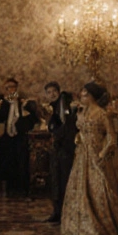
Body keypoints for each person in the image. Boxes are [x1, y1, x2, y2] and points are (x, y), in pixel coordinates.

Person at [60, 82, 118, 235]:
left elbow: (111, 138)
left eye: (85, 94)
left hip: (97, 156)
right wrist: (79, 137)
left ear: (92, 96)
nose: (82, 97)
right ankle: (82, 226)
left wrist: (102, 154)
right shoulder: (82, 111)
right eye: (82, 94)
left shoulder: (102, 114)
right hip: (82, 156)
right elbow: (80, 131)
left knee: (99, 189)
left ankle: (103, 225)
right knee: (81, 189)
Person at [0, 78, 38, 198]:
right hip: (8, 137)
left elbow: (32, 120)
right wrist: (0, 107)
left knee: (22, 163)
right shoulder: (4, 102)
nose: (11, 90)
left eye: (13, 87)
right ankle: (10, 189)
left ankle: (23, 189)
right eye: (8, 88)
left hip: (20, 137)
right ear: (5, 89)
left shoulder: (23, 102)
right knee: (8, 163)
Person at [42, 81, 78, 224]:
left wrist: (55, 133)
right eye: (49, 92)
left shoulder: (64, 104)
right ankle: (57, 212)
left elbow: (67, 127)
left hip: (66, 149)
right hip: (58, 149)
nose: (52, 94)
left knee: (64, 182)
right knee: (56, 181)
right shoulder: (54, 107)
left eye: (54, 91)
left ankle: (64, 213)